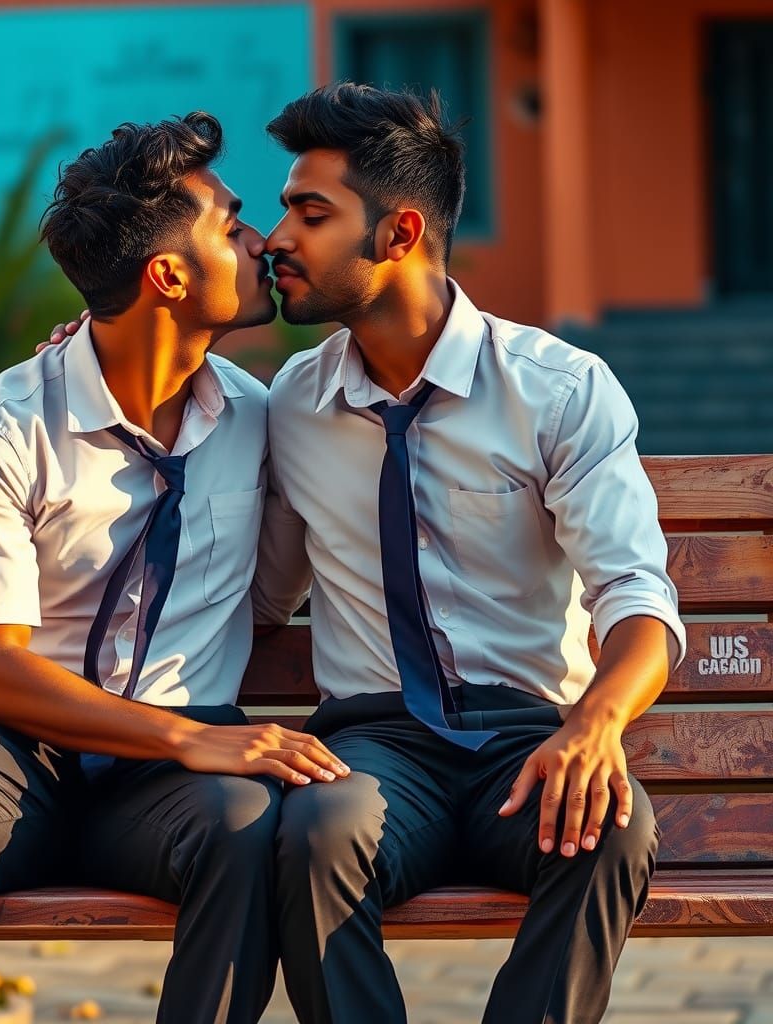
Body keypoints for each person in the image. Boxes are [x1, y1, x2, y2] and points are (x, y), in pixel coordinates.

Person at [0, 111, 348, 1024]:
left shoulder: (262, 418)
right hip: (12, 751)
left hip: (167, 782)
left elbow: (273, 592)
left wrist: (192, 731)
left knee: (242, 825)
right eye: (230, 225)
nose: (258, 242)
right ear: (168, 275)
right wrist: (191, 738)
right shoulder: (0, 431)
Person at [248, 83, 686, 1024]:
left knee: (611, 828)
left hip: (525, 740)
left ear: (400, 234)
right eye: (284, 211)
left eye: (310, 212)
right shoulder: (290, 402)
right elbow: (258, 598)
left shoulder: (559, 390)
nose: (279, 237)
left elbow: (636, 596)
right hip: (375, 748)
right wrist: (96, 346)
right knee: (318, 831)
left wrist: (596, 722)